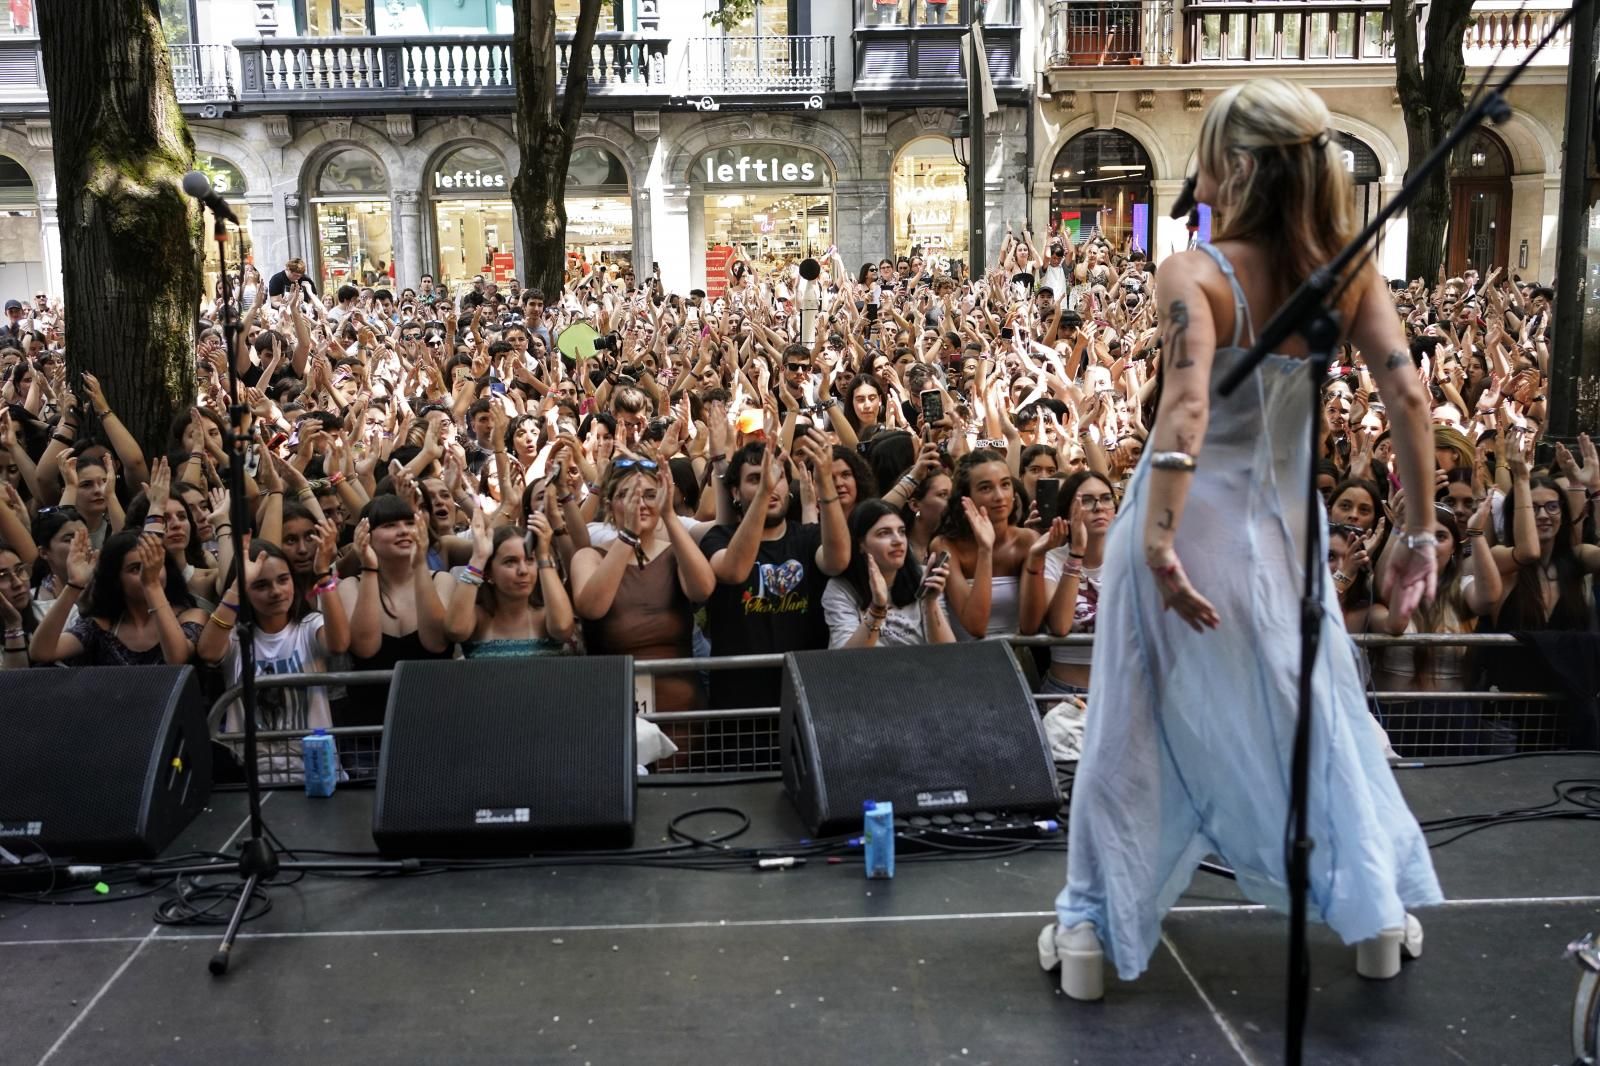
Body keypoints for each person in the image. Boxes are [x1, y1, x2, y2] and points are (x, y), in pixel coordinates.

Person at [1039, 79, 1443, 1001]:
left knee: (1128, 726)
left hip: (1183, 528)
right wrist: (1417, 531)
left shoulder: (1194, 272)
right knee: (1316, 716)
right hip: (1283, 540)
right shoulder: (1352, 271)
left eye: (1211, 153)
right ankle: (1375, 917)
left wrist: (1158, 543)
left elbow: (1184, 412)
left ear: (1243, 166)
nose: (1199, 172)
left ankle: (1092, 935)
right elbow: (1410, 399)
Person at [700, 434, 849, 712]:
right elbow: (732, 571)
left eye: (776, 477)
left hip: (804, 699)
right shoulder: (718, 538)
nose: (769, 485)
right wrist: (763, 494)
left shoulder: (807, 536)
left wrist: (826, 482)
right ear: (734, 492)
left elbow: (837, 561)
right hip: (740, 706)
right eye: (755, 479)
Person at [199, 538, 350, 783]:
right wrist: (238, 585)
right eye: (260, 585)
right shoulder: (237, 638)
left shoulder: (309, 627)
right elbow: (207, 651)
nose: (276, 591)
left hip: (316, 773)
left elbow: (339, 643)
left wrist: (323, 576)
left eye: (283, 579)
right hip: (253, 778)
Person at [446, 505, 575, 658]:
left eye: (529, 560)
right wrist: (478, 558)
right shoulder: (477, 617)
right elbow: (455, 630)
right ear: (489, 573)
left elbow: (563, 627)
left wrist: (543, 556)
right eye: (510, 562)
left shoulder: (547, 616)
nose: (523, 570)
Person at [822, 499, 953, 647]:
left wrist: (930, 602)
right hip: (870, 670)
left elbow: (947, 653)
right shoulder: (841, 589)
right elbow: (845, 661)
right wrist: (877, 609)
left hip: (920, 668)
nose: (898, 540)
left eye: (901, 532)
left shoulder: (922, 578)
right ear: (861, 544)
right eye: (884, 533)